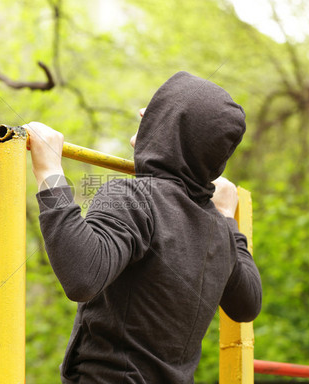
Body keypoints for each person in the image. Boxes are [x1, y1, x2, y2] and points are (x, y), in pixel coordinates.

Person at [26, 71, 262, 384]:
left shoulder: (132, 196)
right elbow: (248, 303)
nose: (144, 114)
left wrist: (50, 172)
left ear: (171, 129)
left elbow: (82, 275)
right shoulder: (217, 227)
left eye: (156, 110)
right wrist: (229, 220)